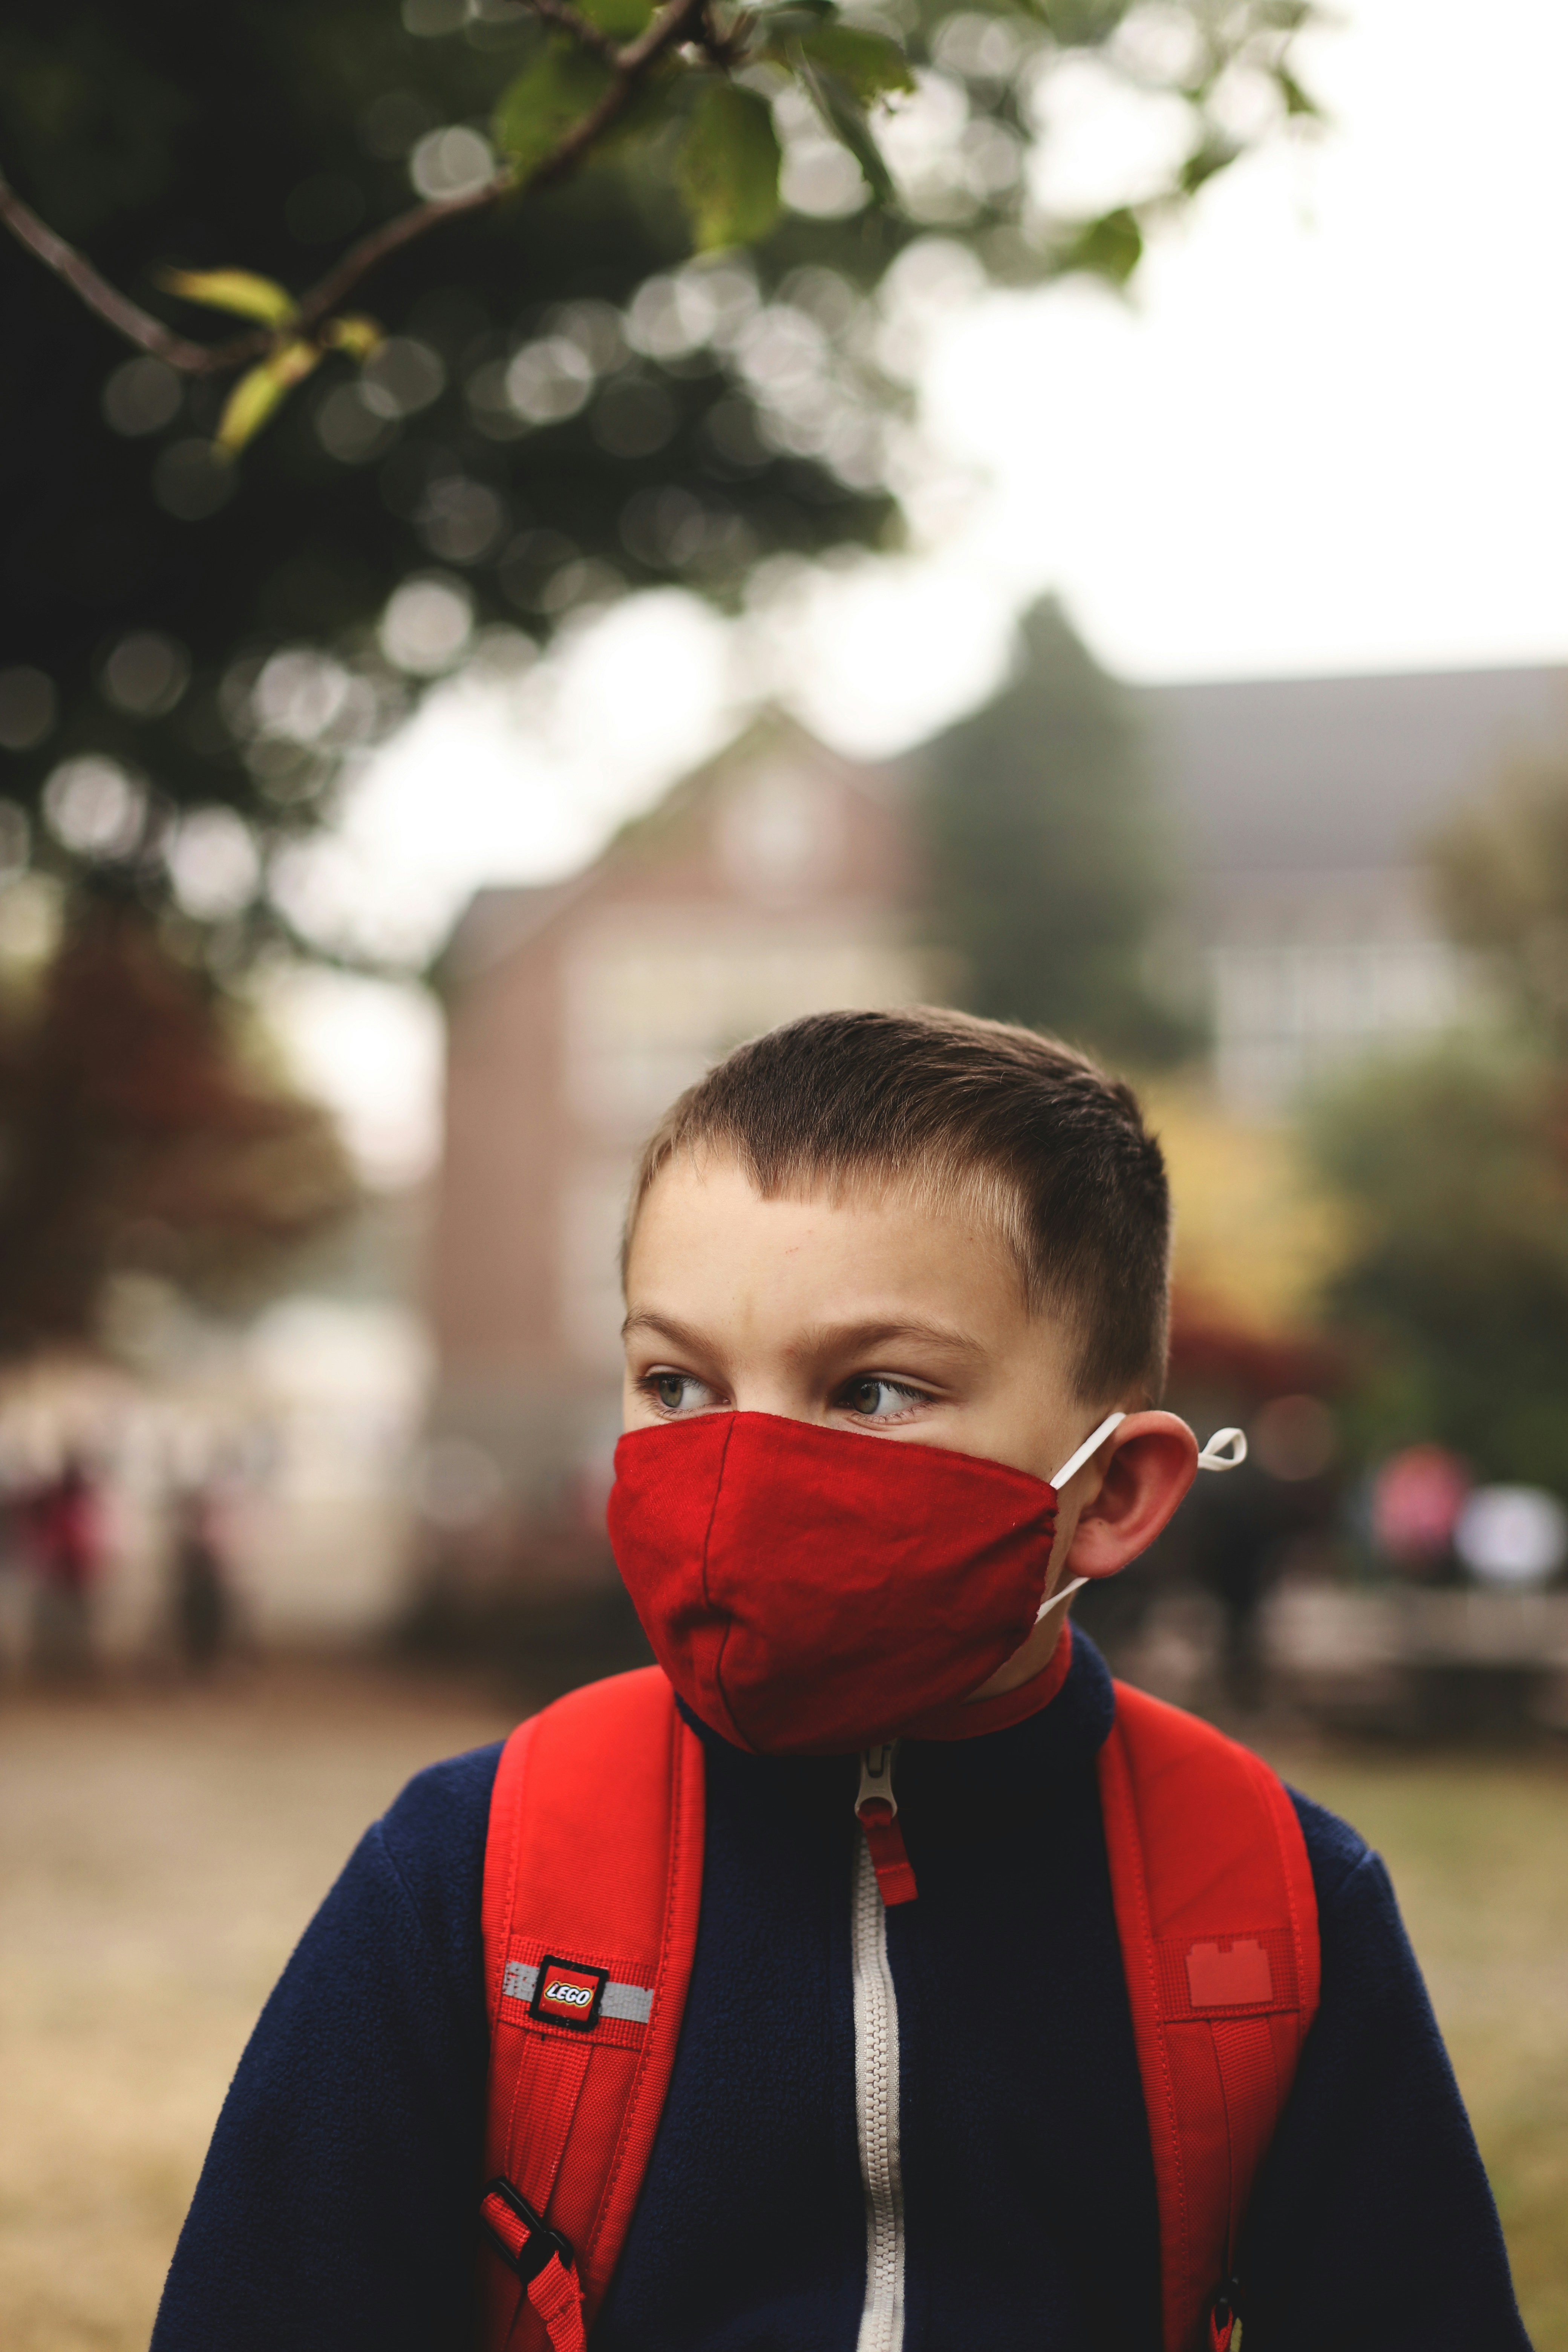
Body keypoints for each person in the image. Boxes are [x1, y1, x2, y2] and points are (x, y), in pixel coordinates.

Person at [152, 1010, 1528, 2352]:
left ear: (1111, 1491)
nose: (737, 1477)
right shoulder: (470, 1875)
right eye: (677, 1385)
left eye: (872, 1392)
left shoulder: (1276, 1903)